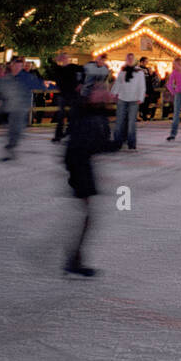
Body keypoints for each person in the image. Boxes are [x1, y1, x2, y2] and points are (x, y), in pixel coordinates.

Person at [62, 58, 113, 277]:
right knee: (88, 214)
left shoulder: (97, 112)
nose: (105, 93)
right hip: (78, 163)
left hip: (81, 162)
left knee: (88, 213)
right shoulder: (86, 113)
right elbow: (87, 143)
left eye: (106, 90)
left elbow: (99, 143)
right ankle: (75, 258)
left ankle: (75, 257)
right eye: (101, 90)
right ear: (91, 94)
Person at [0, 57, 44, 161]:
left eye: (19, 66)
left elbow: (39, 84)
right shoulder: (8, 78)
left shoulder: (26, 77)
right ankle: (12, 145)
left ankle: (12, 145)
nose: (16, 67)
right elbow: (0, 89)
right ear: (12, 66)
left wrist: (46, 85)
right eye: (14, 65)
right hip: (10, 106)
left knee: (16, 127)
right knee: (11, 127)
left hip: (21, 106)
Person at [111, 53, 144, 150]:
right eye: (128, 58)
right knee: (119, 122)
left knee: (131, 123)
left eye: (131, 58)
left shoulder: (139, 72)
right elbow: (118, 83)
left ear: (134, 60)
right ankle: (117, 143)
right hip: (122, 98)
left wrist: (140, 97)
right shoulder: (122, 71)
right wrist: (114, 93)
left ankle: (131, 143)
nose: (129, 60)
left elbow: (142, 86)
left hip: (134, 100)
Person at [50, 51, 84, 142]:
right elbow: (53, 72)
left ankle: (70, 132)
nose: (64, 59)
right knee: (61, 116)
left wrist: (81, 83)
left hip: (72, 94)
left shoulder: (74, 67)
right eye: (63, 57)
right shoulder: (58, 69)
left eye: (66, 57)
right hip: (63, 95)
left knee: (73, 115)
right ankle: (58, 135)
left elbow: (84, 71)